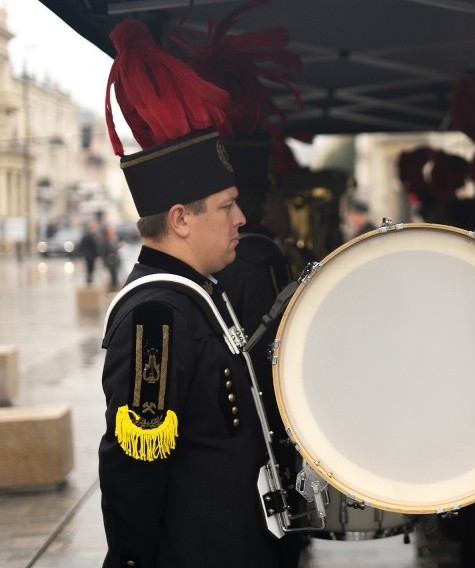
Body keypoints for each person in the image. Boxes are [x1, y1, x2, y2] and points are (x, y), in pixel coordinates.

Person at [98, 19, 285, 566]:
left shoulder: (199, 295)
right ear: (180, 218)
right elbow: (134, 468)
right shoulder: (155, 316)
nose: (242, 218)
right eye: (227, 206)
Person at [78, 220, 102, 285]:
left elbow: (97, 247)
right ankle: (89, 282)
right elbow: (82, 247)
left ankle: (90, 281)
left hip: (93, 256)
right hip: (89, 256)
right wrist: (81, 256)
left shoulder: (95, 236)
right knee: (89, 270)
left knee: (91, 270)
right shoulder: (86, 236)